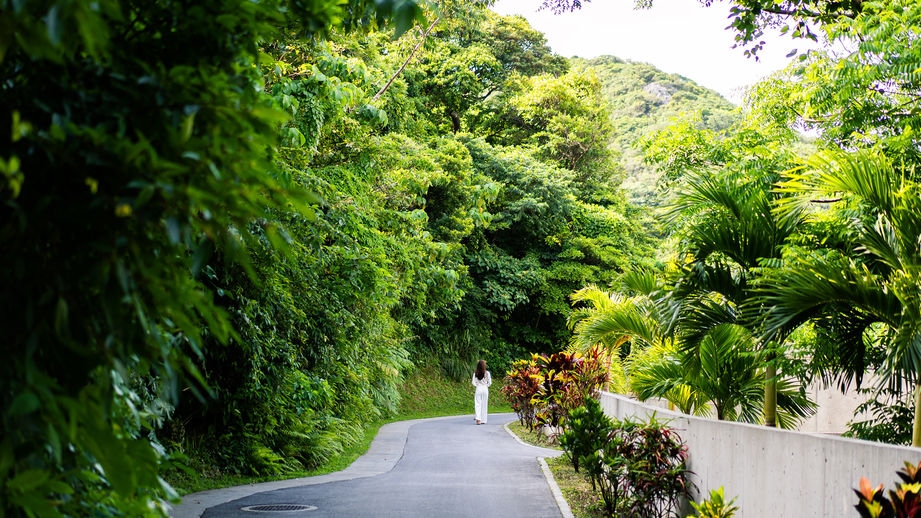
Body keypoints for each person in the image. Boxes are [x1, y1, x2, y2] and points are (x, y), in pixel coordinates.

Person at [472, 359, 492, 425]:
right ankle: (483, 420)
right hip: (485, 388)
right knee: (484, 404)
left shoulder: (475, 373)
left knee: (478, 404)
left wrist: (477, 385)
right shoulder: (487, 373)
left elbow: (473, 382)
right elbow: (490, 383)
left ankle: (478, 419)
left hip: (478, 388)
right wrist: (486, 385)